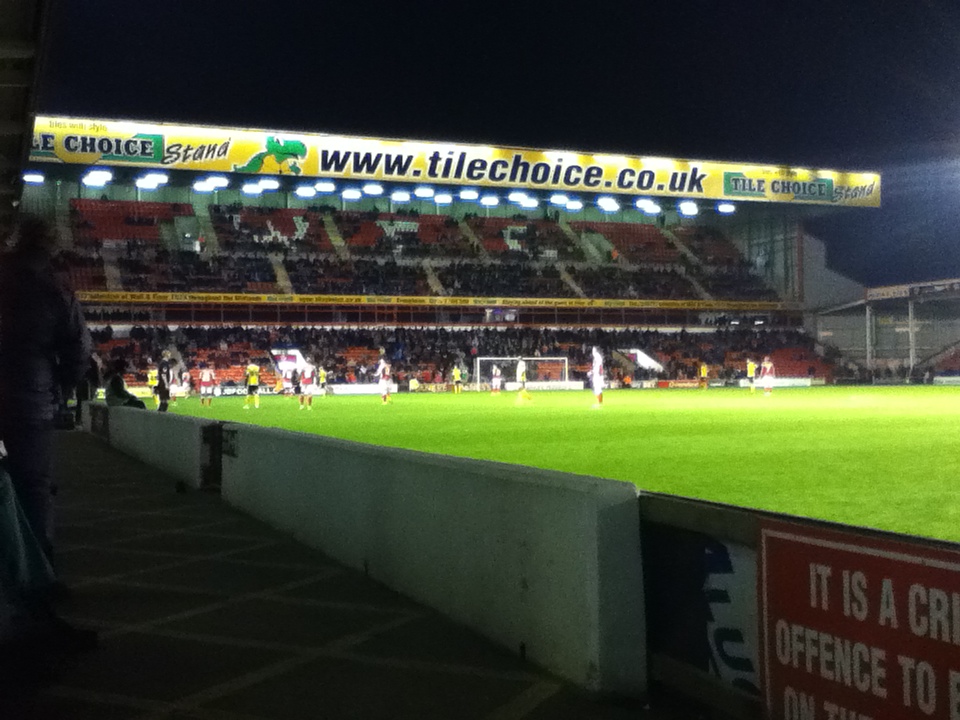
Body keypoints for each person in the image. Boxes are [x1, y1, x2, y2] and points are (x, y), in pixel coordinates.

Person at [0, 215, 92, 565]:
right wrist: (59, 390)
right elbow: (79, 351)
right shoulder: (55, 287)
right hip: (30, 400)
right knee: (33, 486)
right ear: (50, 245)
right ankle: (37, 570)